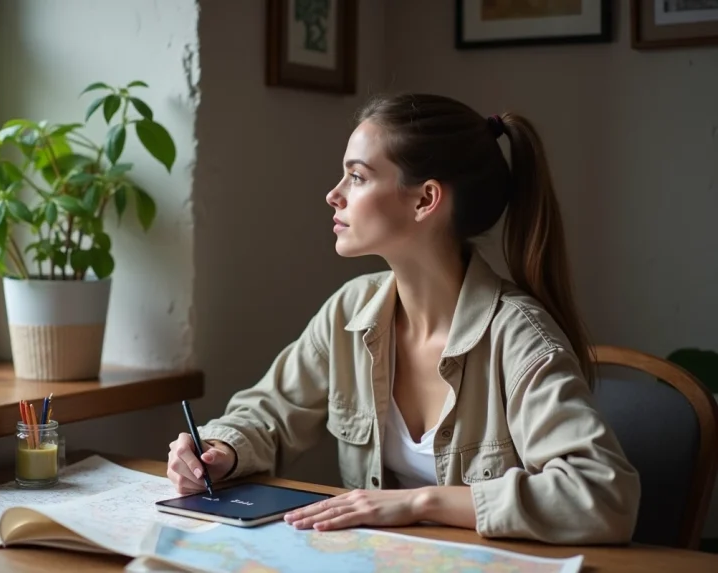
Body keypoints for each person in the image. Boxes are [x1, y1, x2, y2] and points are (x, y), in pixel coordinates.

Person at [167, 93, 640, 545]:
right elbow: (267, 415)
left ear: (425, 200)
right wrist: (219, 451)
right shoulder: (350, 310)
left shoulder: (519, 338)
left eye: (357, 176)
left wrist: (419, 502)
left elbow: (602, 494)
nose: (334, 195)